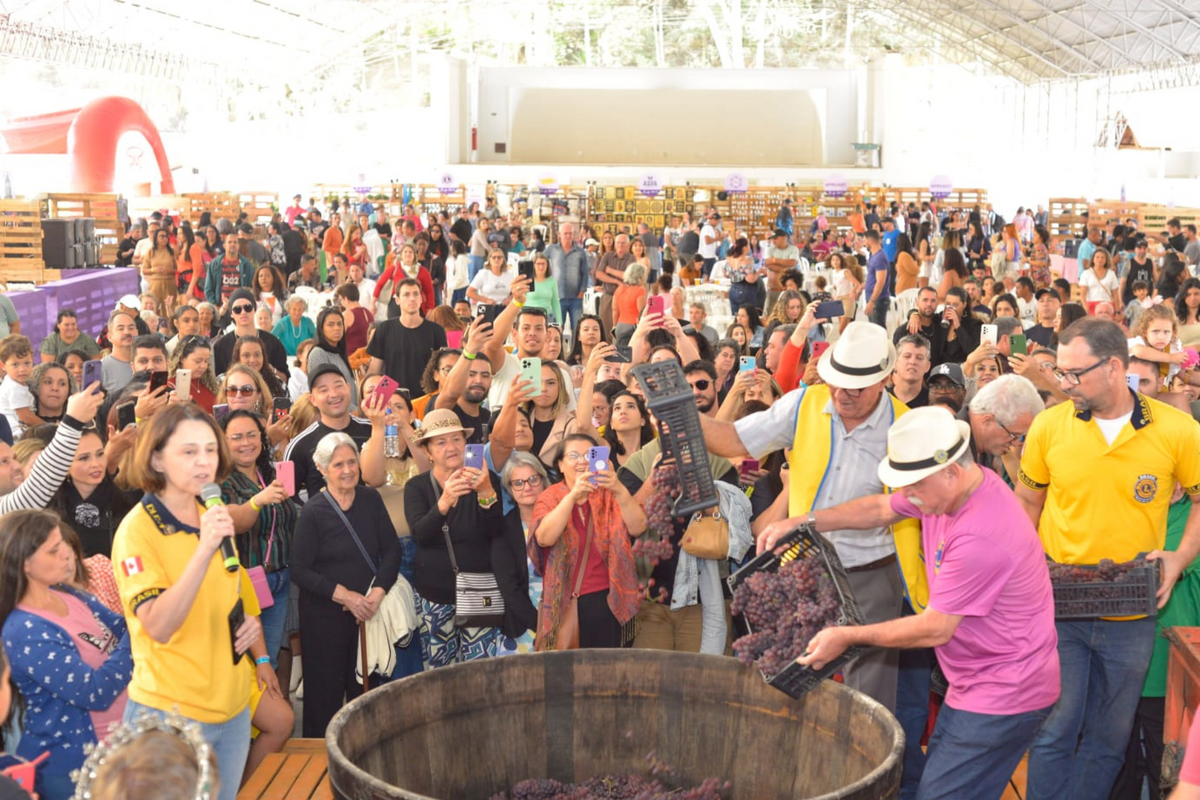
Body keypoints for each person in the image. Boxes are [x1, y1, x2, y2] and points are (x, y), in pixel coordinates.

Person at [759, 406, 1059, 800]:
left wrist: (849, 636)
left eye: (913, 486)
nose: (908, 496)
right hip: (975, 681)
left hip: (1006, 690)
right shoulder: (953, 487)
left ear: (951, 471)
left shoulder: (980, 535)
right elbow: (881, 508)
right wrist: (805, 521)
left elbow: (934, 627)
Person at [698, 322, 926, 712]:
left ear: (885, 379)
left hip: (873, 573)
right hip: (803, 569)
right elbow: (734, 439)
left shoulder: (905, 426)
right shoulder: (803, 404)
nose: (843, 394)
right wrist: (679, 419)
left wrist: (808, 521)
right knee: (791, 681)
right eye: (838, 382)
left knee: (869, 698)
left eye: (857, 387)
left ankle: (863, 770)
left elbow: (901, 508)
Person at [1017, 318, 1200, 800]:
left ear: (1114, 367)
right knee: (1055, 732)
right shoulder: (1049, 426)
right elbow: (1027, 503)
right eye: (1061, 372)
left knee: (1108, 741)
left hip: (1134, 612)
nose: (1064, 383)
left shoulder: (1177, 430)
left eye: (1075, 373)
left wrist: (1180, 556)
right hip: (1060, 608)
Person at [111, 403, 273, 800]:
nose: (203, 461)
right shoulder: (137, 532)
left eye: (210, 450)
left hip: (232, 710)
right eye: (188, 451)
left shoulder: (212, 512)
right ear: (156, 459)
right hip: (170, 715)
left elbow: (228, 596)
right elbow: (159, 626)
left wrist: (246, 626)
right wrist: (203, 550)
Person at [0, 509, 134, 800]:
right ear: (24, 565)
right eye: (53, 550)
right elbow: (95, 691)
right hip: (73, 766)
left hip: (117, 748)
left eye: (63, 543)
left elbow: (123, 626)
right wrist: (141, 629)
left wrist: (136, 626)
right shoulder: (24, 629)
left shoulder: (68, 593)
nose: (67, 554)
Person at [291, 432, 399, 736]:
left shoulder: (370, 499)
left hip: (368, 613)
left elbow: (392, 549)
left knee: (365, 693)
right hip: (325, 617)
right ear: (323, 469)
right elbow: (299, 569)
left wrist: (376, 594)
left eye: (352, 462)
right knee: (323, 697)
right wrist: (346, 597)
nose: (348, 470)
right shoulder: (313, 512)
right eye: (338, 465)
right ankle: (318, 765)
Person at [404, 410, 505, 666]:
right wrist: (445, 501)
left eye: (456, 439)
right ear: (427, 451)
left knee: (481, 666)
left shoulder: (486, 478)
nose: (451, 447)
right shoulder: (417, 487)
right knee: (440, 671)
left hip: (479, 586)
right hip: (435, 593)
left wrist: (485, 493)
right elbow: (421, 535)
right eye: (440, 442)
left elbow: (495, 531)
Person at [530, 433, 645, 649]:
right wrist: (573, 496)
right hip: (564, 603)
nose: (582, 461)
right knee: (568, 676)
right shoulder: (550, 497)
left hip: (609, 601)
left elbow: (638, 526)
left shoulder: (610, 494)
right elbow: (544, 538)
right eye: (573, 455)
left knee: (606, 675)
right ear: (561, 465)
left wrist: (618, 488)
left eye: (589, 455)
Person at [218, 410, 298, 670]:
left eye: (252, 435)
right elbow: (234, 522)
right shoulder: (221, 482)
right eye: (237, 437)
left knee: (269, 661)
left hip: (280, 580)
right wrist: (257, 501)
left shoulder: (271, 473)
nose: (245, 443)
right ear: (223, 442)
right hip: (244, 585)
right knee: (246, 663)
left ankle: (264, 708)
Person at [283, 363, 372, 503]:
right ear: (312, 400)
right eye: (323, 390)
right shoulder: (297, 445)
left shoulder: (372, 430)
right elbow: (284, 495)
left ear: (349, 388)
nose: (334, 394)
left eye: (338, 386)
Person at [493, 451, 548, 656]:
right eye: (518, 483)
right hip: (522, 628)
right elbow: (509, 588)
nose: (527, 487)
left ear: (543, 480)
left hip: (564, 621)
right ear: (510, 489)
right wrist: (540, 625)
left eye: (533, 479)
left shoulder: (559, 520)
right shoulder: (504, 529)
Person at [367, 278, 449, 397]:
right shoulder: (384, 329)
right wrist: (377, 399)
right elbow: (375, 371)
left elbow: (443, 369)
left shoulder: (436, 331)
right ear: (397, 300)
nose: (412, 298)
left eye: (416, 294)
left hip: (427, 398)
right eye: (406, 294)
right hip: (393, 398)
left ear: (421, 299)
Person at [213, 289, 288, 378]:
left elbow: (285, 379)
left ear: (254, 309)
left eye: (248, 307)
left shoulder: (273, 342)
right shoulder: (221, 346)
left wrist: (271, 370)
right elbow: (216, 381)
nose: (243, 312)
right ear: (231, 313)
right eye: (237, 309)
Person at [306, 307, 358, 407]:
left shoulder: (339, 352)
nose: (337, 328)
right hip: (337, 416)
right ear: (321, 329)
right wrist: (353, 411)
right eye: (330, 325)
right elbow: (323, 393)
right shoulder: (318, 353)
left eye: (339, 324)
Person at [546, 223, 589, 332]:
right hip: (557, 296)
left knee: (577, 329)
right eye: (565, 233)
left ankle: (575, 350)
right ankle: (558, 350)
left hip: (576, 297)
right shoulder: (552, 250)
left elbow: (585, 272)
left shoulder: (580, 252)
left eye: (571, 233)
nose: (568, 236)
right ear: (559, 234)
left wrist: (582, 292)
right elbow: (539, 263)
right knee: (556, 329)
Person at [167, 334, 218, 413]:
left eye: (206, 361)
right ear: (182, 358)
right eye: (198, 361)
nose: (203, 366)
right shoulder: (170, 386)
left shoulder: (210, 384)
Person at [335, 282, 374, 355]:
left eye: (341, 299)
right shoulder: (368, 313)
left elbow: (338, 338)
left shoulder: (347, 315)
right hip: (368, 357)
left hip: (351, 358)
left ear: (346, 299)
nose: (341, 302)